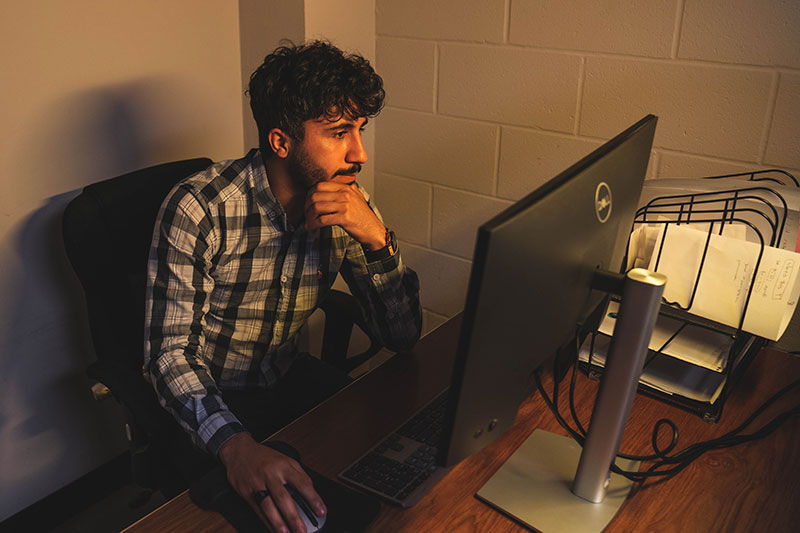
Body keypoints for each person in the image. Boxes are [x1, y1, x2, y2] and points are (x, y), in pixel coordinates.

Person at [144, 40, 422, 532]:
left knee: (402, 471)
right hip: (211, 402)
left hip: (287, 379)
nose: (358, 152)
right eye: (339, 133)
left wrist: (378, 240)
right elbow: (169, 356)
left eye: (359, 130)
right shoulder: (199, 209)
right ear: (281, 142)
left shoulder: (347, 201)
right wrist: (237, 448)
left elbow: (402, 337)